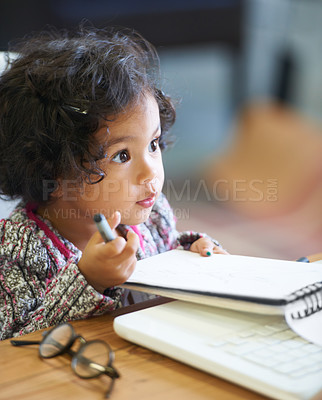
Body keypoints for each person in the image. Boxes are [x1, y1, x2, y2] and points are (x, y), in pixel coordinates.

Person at [0, 25, 227, 340]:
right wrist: (89, 280)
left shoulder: (151, 212)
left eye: (153, 144)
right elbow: (13, 346)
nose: (151, 174)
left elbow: (166, 251)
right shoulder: (22, 249)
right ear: (51, 171)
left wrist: (191, 251)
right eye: (122, 156)